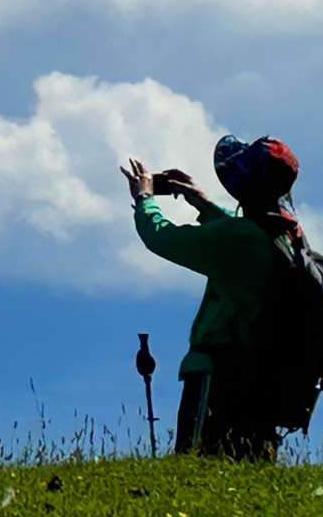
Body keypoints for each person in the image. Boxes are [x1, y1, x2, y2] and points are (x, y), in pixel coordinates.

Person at [119, 136, 310, 460]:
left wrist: (145, 198)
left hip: (220, 375)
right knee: (250, 471)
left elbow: (162, 237)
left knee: (196, 467)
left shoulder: (238, 238)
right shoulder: (289, 234)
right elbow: (241, 231)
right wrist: (200, 201)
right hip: (264, 378)